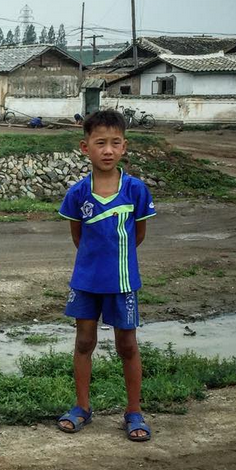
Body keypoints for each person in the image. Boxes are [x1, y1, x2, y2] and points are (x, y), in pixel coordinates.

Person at [57, 109, 156, 441]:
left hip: (123, 282)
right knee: (84, 342)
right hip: (86, 281)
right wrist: (93, 264)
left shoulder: (136, 191)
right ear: (86, 148)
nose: (108, 150)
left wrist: (117, 264)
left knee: (127, 345)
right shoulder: (77, 194)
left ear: (124, 147)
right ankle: (82, 407)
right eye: (101, 143)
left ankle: (133, 412)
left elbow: (138, 235)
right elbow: (78, 237)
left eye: (115, 143)